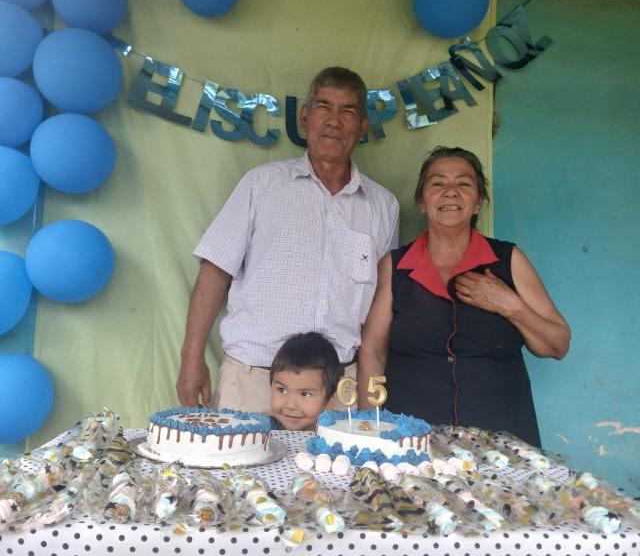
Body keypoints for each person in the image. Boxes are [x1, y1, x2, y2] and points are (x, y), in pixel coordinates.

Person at [176, 66, 399, 412]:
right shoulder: (261, 185)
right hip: (253, 382)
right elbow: (215, 271)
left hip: (338, 388)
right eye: (324, 107)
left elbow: (381, 311)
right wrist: (191, 358)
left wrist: (371, 399)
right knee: (239, 452)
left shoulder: (383, 206)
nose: (334, 121)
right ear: (305, 118)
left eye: (348, 111)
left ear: (362, 127)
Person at [356, 146, 570, 447]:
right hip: (412, 440)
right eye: (438, 183)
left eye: (464, 183)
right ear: (421, 201)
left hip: (502, 441)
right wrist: (370, 430)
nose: (450, 192)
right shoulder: (395, 267)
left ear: (479, 201)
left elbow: (557, 345)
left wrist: (510, 305)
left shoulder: (508, 260)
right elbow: (373, 352)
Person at [269, 332, 340, 431]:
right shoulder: (258, 433)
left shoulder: (340, 437)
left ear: (330, 401)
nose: (291, 405)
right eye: (282, 390)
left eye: (305, 394)